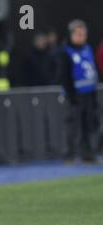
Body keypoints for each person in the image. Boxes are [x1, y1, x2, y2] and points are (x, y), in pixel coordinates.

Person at [58, 20, 100, 163]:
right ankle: (69, 154)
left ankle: (87, 154)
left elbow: (93, 71)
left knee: (88, 125)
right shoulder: (66, 52)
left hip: (88, 92)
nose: (82, 37)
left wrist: (94, 93)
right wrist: (71, 95)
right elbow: (64, 76)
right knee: (73, 126)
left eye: (84, 34)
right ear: (71, 35)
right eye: (78, 34)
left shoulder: (87, 48)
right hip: (75, 95)